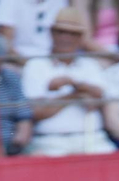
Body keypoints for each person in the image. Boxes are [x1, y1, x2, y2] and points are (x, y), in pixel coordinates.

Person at [21, 8, 114, 155]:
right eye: (61, 32)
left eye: (73, 34)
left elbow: (100, 99)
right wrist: (75, 95)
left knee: (110, 160)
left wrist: (73, 84)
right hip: (49, 141)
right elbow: (36, 112)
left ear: (80, 38)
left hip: (91, 137)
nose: (66, 38)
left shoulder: (90, 64)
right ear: (51, 33)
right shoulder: (35, 65)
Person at [0, 0, 66, 58]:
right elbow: (7, 45)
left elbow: (68, 39)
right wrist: (32, 65)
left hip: (54, 61)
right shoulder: (8, 2)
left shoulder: (60, 2)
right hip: (18, 62)